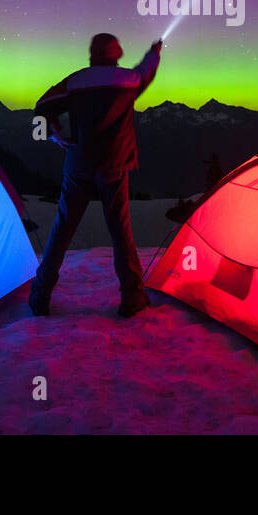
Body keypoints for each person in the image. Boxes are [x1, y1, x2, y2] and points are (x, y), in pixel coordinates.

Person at [29, 33, 162, 318]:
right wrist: (154, 51)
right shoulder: (128, 81)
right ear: (117, 53)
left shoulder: (76, 81)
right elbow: (146, 71)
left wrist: (54, 135)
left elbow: (41, 107)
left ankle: (39, 297)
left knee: (62, 229)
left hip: (78, 165)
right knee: (121, 233)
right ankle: (133, 298)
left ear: (92, 54)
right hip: (115, 167)